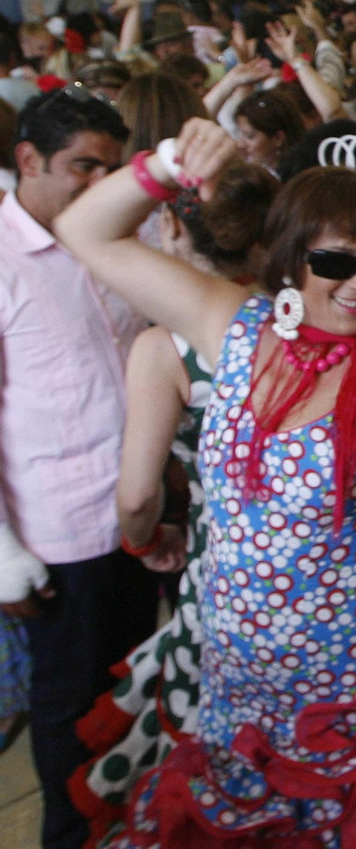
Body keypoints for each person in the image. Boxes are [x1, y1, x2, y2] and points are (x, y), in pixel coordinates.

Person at [56, 117, 356, 847]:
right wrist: (166, 163)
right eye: (335, 261)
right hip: (238, 669)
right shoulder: (230, 325)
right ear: (290, 259)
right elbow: (84, 231)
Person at [70, 165, 276, 843]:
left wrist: (146, 538)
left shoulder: (167, 348)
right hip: (322, 578)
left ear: (170, 227)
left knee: (215, 750)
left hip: (223, 574)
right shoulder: (308, 321)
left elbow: (137, 495)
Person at [0, 86, 156, 849]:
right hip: (61, 531)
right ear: (29, 160)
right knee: (69, 700)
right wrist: (4, 555)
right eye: (83, 167)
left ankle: (129, 822)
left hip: (140, 511)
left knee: (133, 682)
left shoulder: (119, 239)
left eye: (111, 169)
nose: (100, 185)